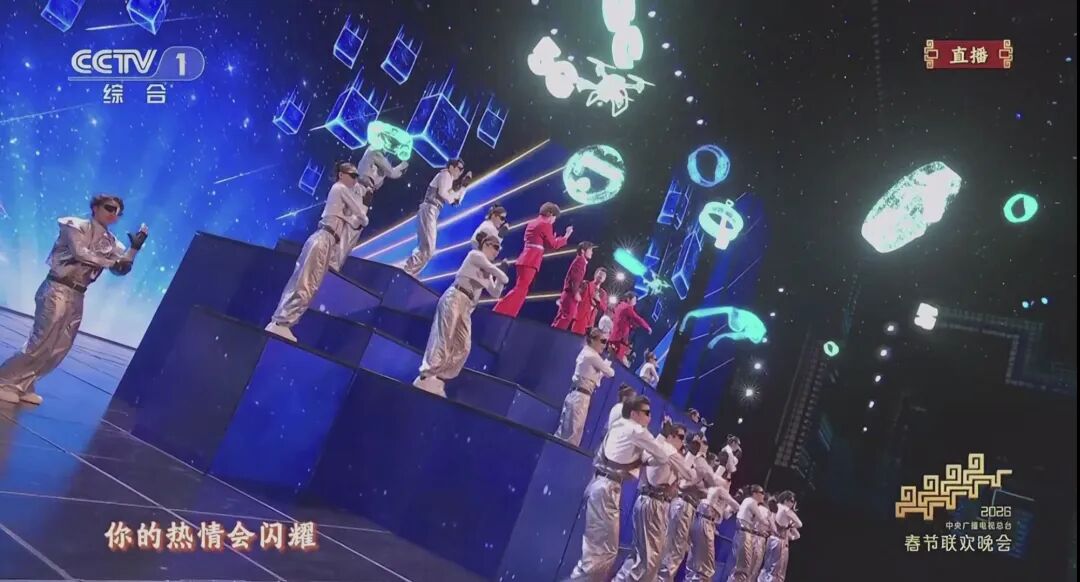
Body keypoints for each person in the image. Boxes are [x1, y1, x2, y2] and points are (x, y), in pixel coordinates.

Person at [0, 194, 148, 405]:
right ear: (95, 207)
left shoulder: (112, 242)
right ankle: (5, 381)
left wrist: (133, 250)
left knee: (60, 346)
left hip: (78, 294)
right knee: (42, 341)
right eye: (109, 208)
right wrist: (112, 263)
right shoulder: (74, 226)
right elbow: (80, 253)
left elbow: (121, 269)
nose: (113, 214)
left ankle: (24, 383)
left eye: (118, 212)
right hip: (57, 288)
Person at [568, 395, 672, 582]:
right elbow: (663, 456)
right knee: (602, 554)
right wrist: (660, 439)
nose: (650, 418)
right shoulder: (637, 431)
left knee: (597, 553)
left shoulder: (618, 425)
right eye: (646, 413)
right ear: (634, 413)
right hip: (608, 489)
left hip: (599, 483)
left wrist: (640, 459)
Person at [266, 162, 371, 342]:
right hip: (323, 239)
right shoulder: (340, 188)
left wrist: (363, 211)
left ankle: (281, 321)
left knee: (306, 282)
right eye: (352, 175)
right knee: (307, 283)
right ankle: (282, 322)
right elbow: (360, 215)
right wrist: (363, 209)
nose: (355, 179)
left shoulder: (340, 198)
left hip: (326, 240)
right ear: (341, 175)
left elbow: (354, 223)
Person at [413, 233, 508, 397]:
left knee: (463, 346)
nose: (497, 252)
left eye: (499, 249)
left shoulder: (487, 270)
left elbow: (495, 292)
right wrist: (501, 275)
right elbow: (500, 275)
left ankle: (439, 377)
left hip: (467, 306)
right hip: (455, 296)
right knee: (444, 337)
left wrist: (500, 279)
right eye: (495, 247)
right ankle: (426, 375)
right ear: (486, 245)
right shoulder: (476, 255)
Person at [614, 422, 695, 582]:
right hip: (654, 503)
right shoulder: (670, 451)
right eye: (680, 437)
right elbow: (689, 474)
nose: (682, 442)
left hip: (646, 500)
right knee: (649, 558)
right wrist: (691, 455)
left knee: (638, 553)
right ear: (671, 436)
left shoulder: (659, 447)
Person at [656, 437, 721, 582]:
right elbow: (683, 483)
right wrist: (700, 479)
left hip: (691, 508)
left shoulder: (700, 462)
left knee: (680, 552)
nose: (705, 445)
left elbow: (712, 484)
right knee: (674, 551)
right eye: (703, 442)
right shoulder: (690, 459)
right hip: (683, 504)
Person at [334, 146, 408, 271]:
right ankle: (333, 261)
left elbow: (387, 175)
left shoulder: (381, 159)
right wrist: (405, 162)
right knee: (350, 227)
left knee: (354, 230)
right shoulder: (374, 151)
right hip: (361, 190)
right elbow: (392, 173)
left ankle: (336, 261)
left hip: (365, 193)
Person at [492, 202, 572, 317]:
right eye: (554, 217)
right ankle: (500, 310)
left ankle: (509, 313)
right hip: (531, 260)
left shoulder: (533, 222)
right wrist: (566, 236)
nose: (554, 220)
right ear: (550, 214)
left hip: (525, 258)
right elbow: (553, 244)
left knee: (522, 289)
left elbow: (540, 240)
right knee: (520, 289)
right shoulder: (545, 224)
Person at [402, 159, 472, 276]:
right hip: (430, 208)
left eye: (462, 170)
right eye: (459, 168)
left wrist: (463, 187)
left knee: (426, 248)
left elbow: (455, 201)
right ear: (451, 167)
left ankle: (409, 271)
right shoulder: (445, 174)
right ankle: (407, 270)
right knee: (428, 248)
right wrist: (456, 194)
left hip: (432, 211)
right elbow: (444, 194)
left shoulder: (448, 179)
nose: (460, 172)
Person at [554, 328, 616, 446]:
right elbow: (610, 373)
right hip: (580, 397)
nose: (604, 346)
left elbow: (597, 377)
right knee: (572, 436)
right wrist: (608, 361)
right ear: (593, 340)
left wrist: (606, 362)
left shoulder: (586, 352)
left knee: (566, 432)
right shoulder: (592, 355)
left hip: (578, 394)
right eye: (602, 341)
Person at [684, 454, 741, 581]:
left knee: (694, 561)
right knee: (706, 565)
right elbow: (734, 503)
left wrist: (732, 504)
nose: (729, 481)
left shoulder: (719, 490)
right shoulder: (718, 485)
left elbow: (725, 514)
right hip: (705, 522)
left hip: (705, 521)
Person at [725, 484, 770, 582]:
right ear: (755, 493)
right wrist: (772, 525)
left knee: (737, 565)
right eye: (762, 493)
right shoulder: (752, 502)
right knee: (743, 567)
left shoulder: (747, 501)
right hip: (744, 533)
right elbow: (761, 519)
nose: (763, 495)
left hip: (741, 532)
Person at [757, 491, 800, 582]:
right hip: (780, 541)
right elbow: (799, 524)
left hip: (771, 539)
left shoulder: (775, 507)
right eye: (792, 501)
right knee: (776, 570)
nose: (792, 504)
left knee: (766, 567)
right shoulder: (785, 510)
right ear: (786, 500)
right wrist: (789, 526)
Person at [552, 242, 595, 329]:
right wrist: (576, 293)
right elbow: (575, 278)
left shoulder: (580, 261)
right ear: (583, 251)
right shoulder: (581, 261)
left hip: (568, 294)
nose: (592, 252)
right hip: (570, 295)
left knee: (561, 318)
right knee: (565, 319)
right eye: (590, 250)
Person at [609, 293, 652, 365]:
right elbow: (637, 318)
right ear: (628, 299)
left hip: (614, 334)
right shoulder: (627, 307)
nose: (635, 302)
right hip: (619, 336)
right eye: (634, 300)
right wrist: (647, 327)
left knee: (612, 357)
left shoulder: (620, 304)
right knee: (614, 359)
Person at [571, 268, 608, 335]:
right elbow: (576, 296)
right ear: (595, 274)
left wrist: (598, 300)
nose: (601, 276)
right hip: (581, 318)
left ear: (604, 279)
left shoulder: (603, 293)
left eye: (603, 275)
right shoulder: (586, 284)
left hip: (591, 322)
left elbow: (604, 307)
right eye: (600, 274)